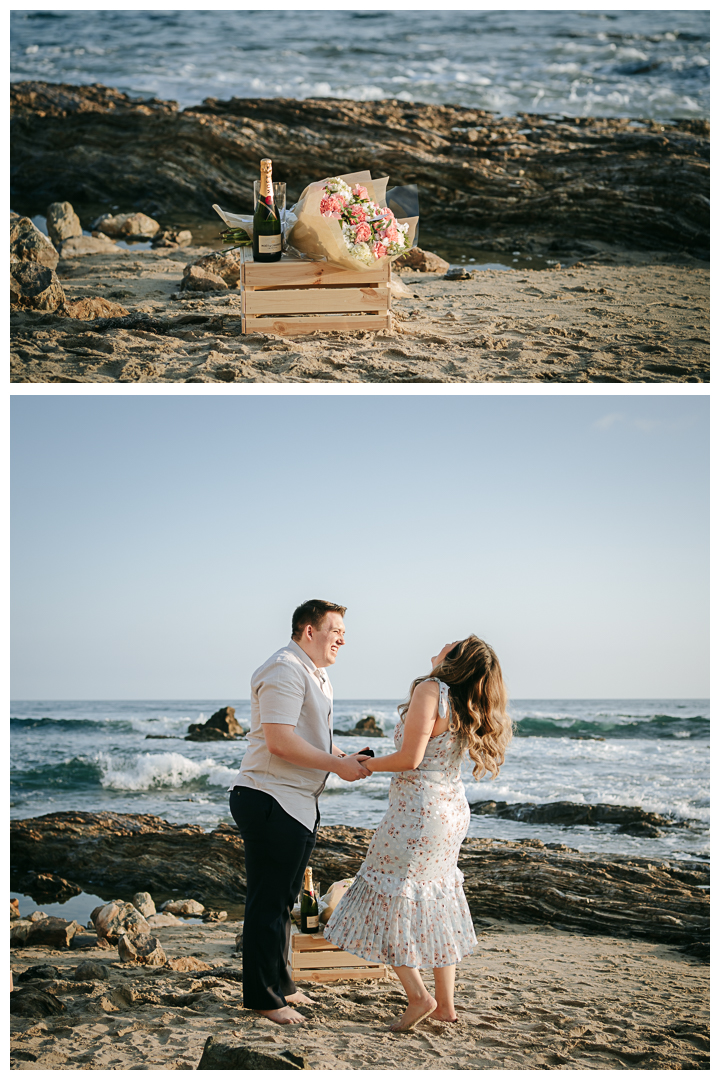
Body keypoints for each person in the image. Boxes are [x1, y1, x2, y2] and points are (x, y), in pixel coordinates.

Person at [324, 635, 512, 1032]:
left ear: (454, 659)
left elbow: (410, 759)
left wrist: (362, 767)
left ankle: (418, 997)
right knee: (437, 897)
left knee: (389, 897)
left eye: (453, 643)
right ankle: (445, 1006)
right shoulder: (463, 700)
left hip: (417, 813)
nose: (444, 642)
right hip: (452, 810)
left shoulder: (431, 689)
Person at [228, 599, 371, 1025]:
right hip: (270, 797)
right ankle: (263, 998)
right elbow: (279, 742)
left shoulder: (315, 673)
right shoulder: (285, 669)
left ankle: (282, 984)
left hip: (295, 802)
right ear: (308, 631)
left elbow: (308, 737)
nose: (343, 639)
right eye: (335, 631)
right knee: (267, 904)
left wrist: (344, 755)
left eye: (344, 632)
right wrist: (336, 765)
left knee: (285, 900)